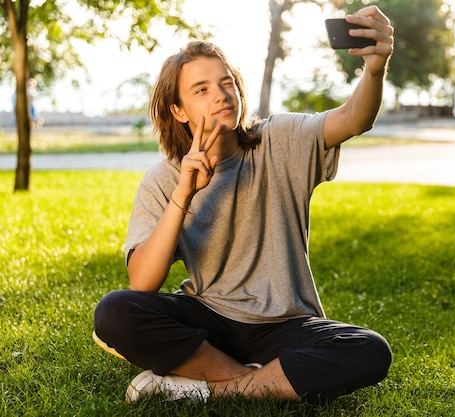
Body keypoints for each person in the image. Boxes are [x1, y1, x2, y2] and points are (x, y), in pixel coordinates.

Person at [93, 6, 394, 404]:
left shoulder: (281, 139)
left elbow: (354, 118)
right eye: (201, 89)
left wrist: (374, 69)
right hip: (211, 321)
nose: (220, 95)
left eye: (226, 83)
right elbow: (143, 282)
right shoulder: (163, 180)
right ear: (178, 110)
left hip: (286, 325)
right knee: (116, 312)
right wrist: (184, 194)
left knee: (370, 349)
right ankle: (260, 383)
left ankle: (209, 391)